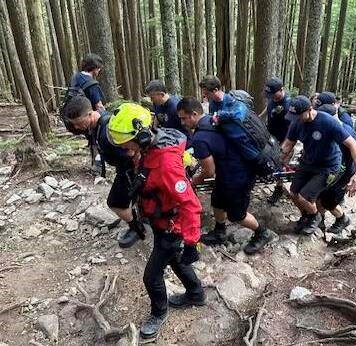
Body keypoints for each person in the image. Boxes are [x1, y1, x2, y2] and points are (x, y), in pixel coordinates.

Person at [107, 106, 205, 341]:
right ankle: (196, 293)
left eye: (126, 143)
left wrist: (192, 243)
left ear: (140, 136)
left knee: (151, 276)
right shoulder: (151, 146)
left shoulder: (166, 164)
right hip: (160, 222)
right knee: (175, 261)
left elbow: (191, 205)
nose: (123, 148)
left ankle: (159, 314)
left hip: (172, 227)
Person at [177, 96, 274, 255]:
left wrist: (193, 181)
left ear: (194, 114)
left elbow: (209, 171)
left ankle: (262, 233)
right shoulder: (213, 119)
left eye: (184, 118)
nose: (182, 123)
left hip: (239, 177)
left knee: (237, 214)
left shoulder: (200, 138)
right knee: (217, 201)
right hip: (230, 172)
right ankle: (220, 231)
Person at [62, 96, 145, 248]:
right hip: (124, 169)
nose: (78, 128)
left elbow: (132, 151)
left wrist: (137, 172)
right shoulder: (97, 125)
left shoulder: (107, 129)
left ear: (90, 114)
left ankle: (137, 228)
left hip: (128, 170)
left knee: (115, 203)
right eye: (75, 125)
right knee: (133, 199)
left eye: (79, 123)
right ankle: (142, 217)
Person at [281, 96, 356, 235]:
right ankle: (307, 216)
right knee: (294, 192)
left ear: (309, 110)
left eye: (298, 116)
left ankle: (315, 217)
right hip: (308, 162)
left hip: (328, 166)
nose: (295, 120)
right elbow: (288, 144)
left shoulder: (327, 122)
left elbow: (353, 145)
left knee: (305, 196)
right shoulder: (296, 123)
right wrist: (278, 160)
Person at [316, 104, 356, 233]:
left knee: (329, 202)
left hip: (344, 174)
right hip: (330, 171)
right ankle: (320, 221)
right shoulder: (324, 130)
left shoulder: (347, 131)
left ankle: (342, 219)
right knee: (318, 197)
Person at [264, 77, 292, 204]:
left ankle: (279, 188)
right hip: (271, 136)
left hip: (283, 139)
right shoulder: (272, 99)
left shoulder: (288, 105)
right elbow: (269, 108)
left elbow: (292, 129)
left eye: (274, 94)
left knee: (280, 164)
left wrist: (285, 147)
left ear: (281, 90)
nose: (272, 97)